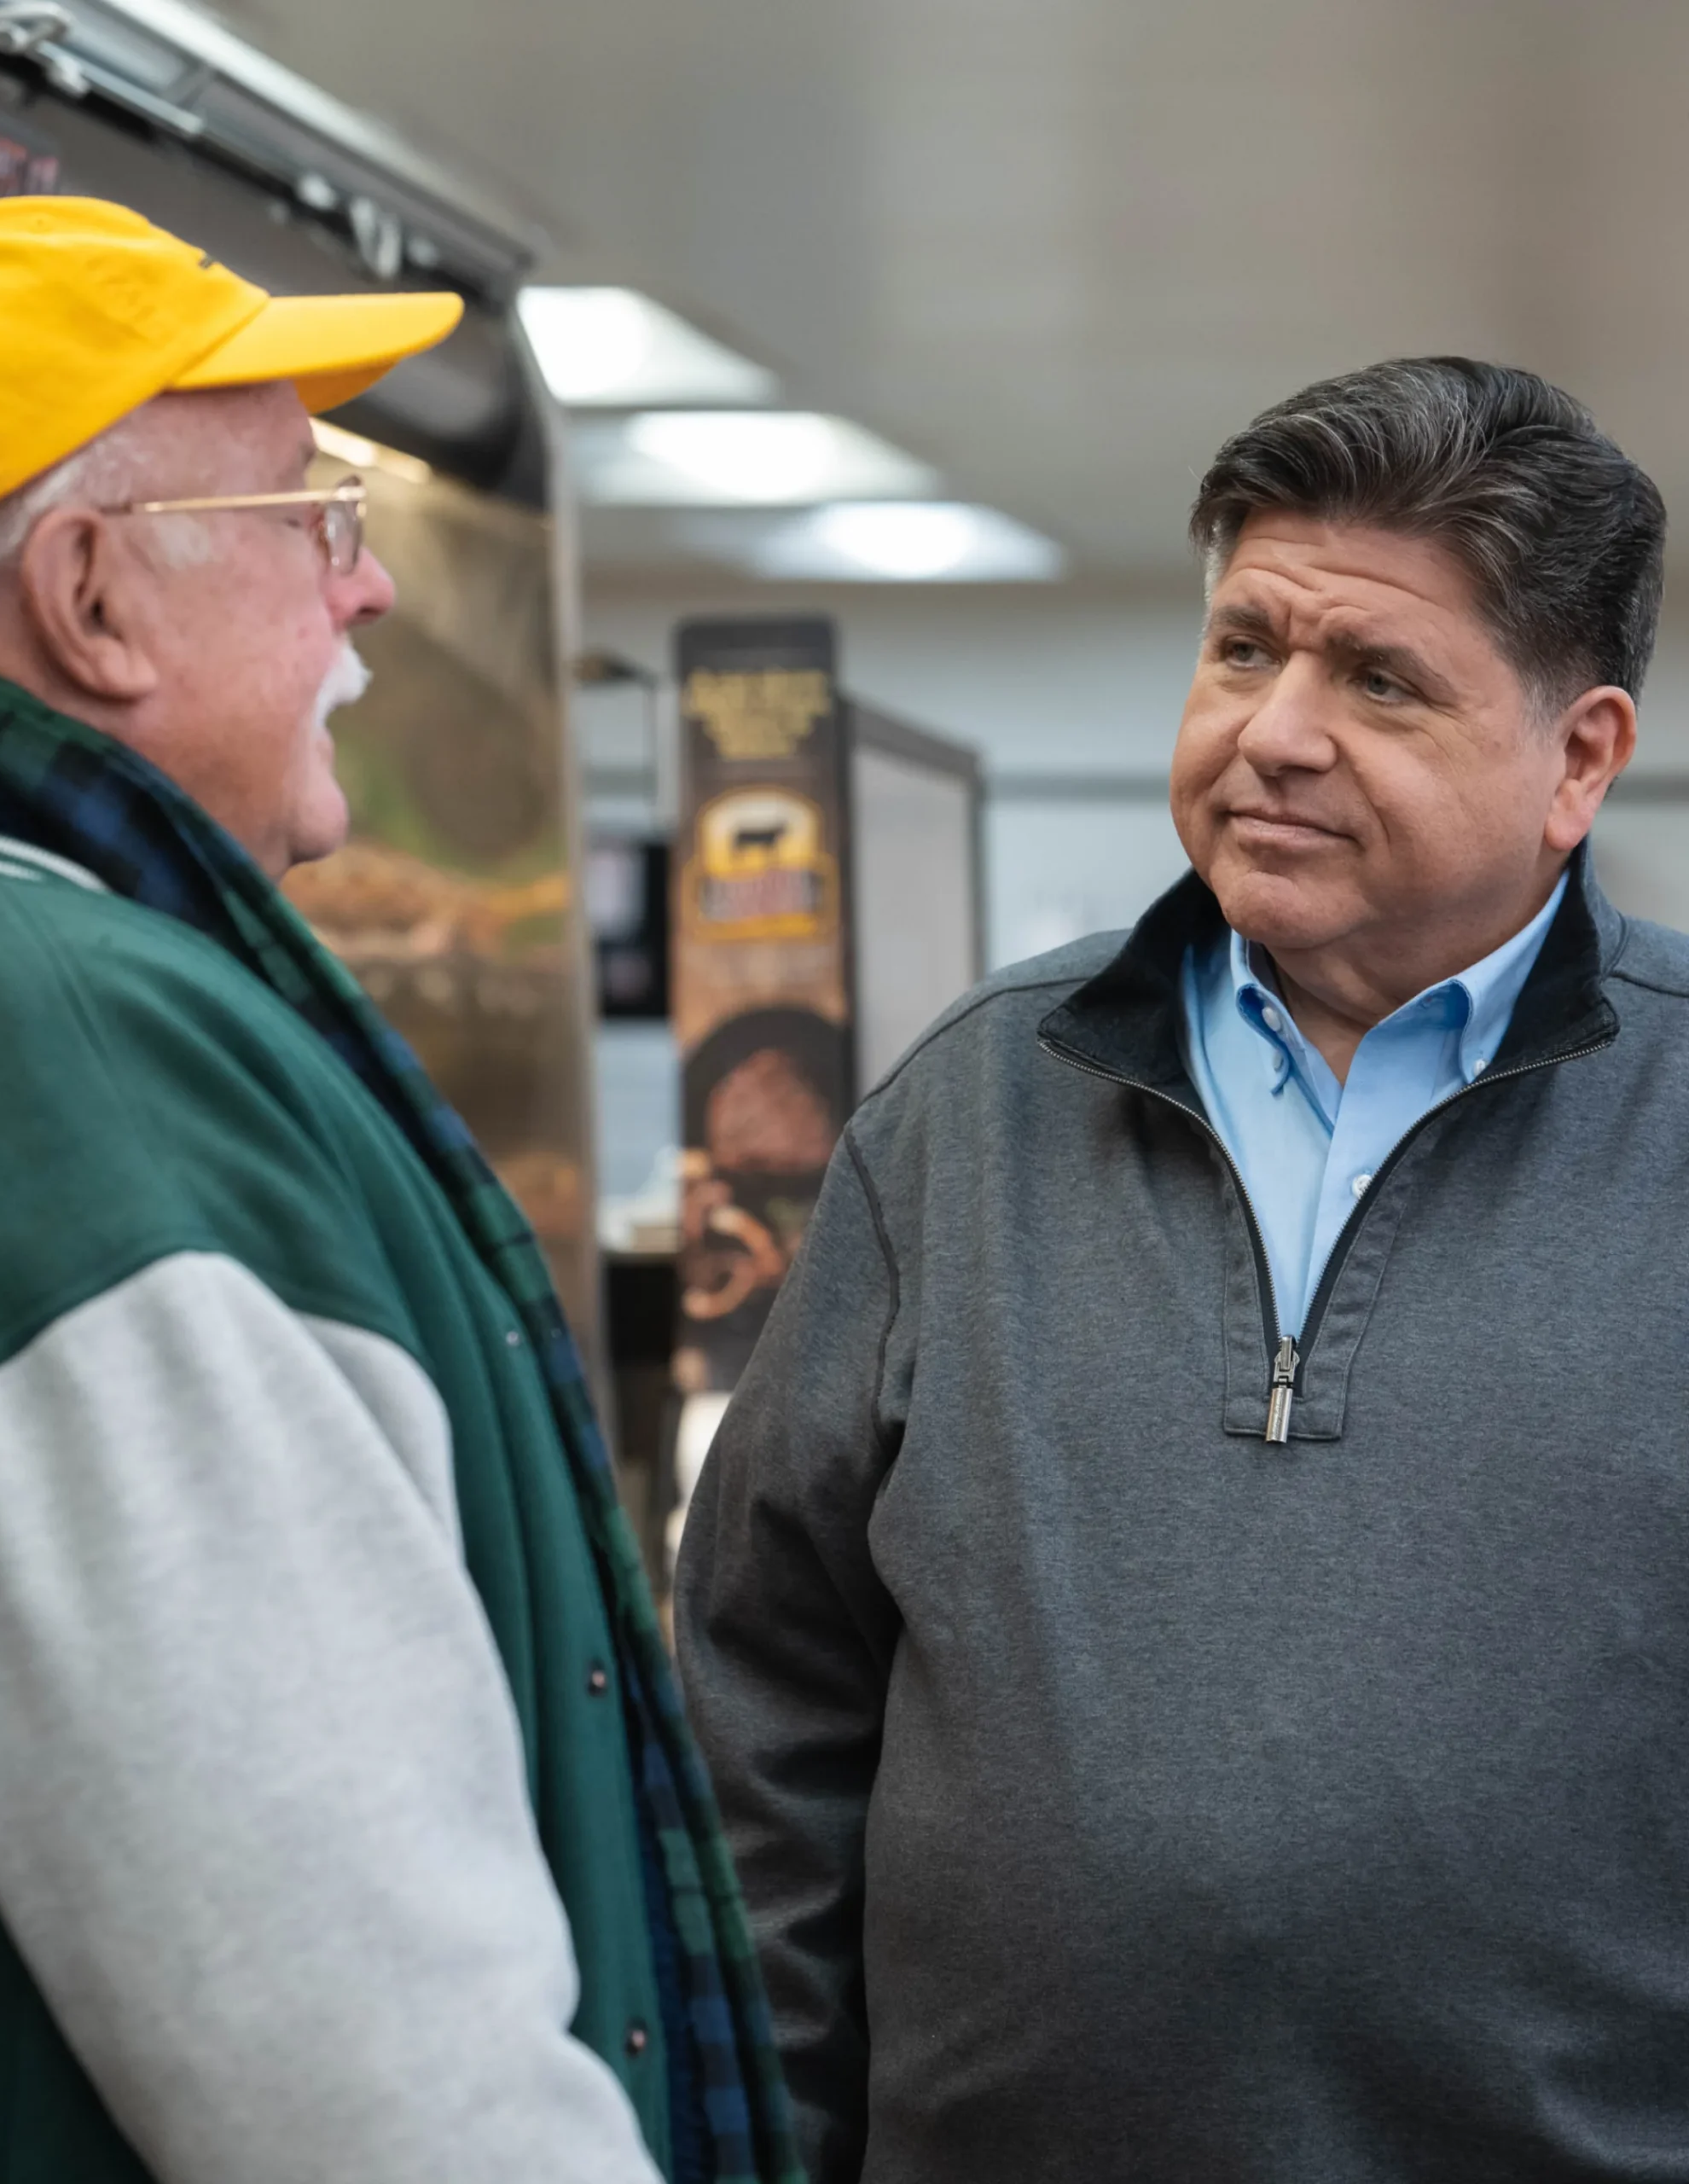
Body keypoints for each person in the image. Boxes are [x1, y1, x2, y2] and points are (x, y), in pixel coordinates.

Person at [0, 196, 798, 2184]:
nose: (369, 598)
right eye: (312, 519)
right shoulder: (56, 1053)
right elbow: (352, 2047)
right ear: (91, 597)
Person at [676, 357, 1689, 2182]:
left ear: (1581, 758)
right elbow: (768, 1711)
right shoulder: (973, 1105)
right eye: (1244, 649)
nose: (1276, 730)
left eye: (1376, 678)